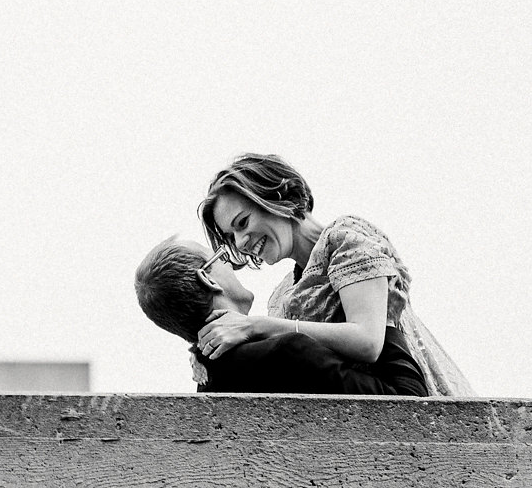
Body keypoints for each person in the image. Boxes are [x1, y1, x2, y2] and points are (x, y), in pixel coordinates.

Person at [196, 153, 473, 397]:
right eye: (232, 236)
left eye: (242, 223)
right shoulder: (282, 294)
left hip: (399, 395)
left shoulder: (346, 239)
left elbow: (368, 342)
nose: (241, 241)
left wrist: (256, 326)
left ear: (277, 196)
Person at [134, 235, 428, 395]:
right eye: (220, 258)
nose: (233, 264)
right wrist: (383, 309)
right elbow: (410, 399)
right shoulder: (289, 351)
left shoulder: (208, 381)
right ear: (208, 279)